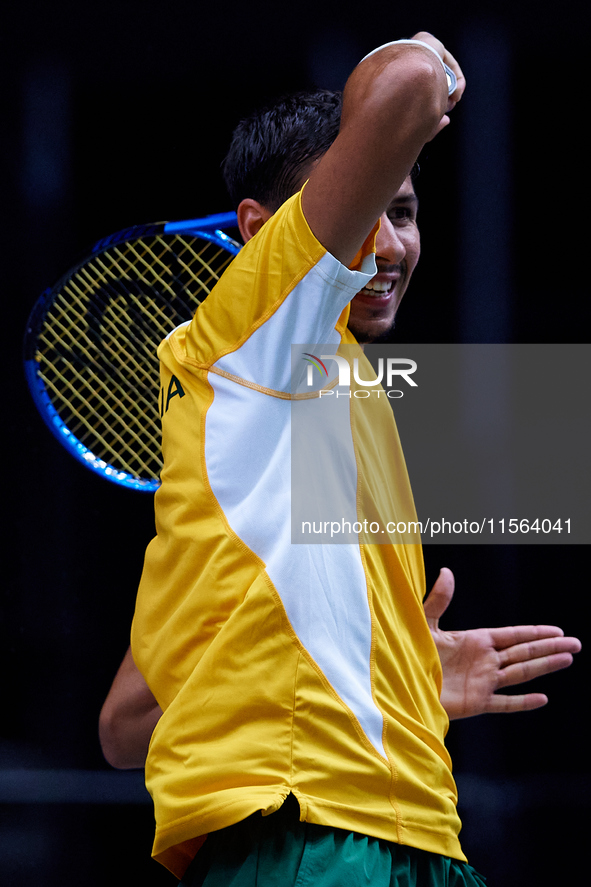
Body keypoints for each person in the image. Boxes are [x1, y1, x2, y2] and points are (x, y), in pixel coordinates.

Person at [100, 33, 581, 886]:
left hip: (415, 828)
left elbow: (128, 722)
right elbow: (402, 81)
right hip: (307, 834)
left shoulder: (322, 392)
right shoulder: (257, 335)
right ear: (259, 233)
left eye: (403, 211)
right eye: (366, 212)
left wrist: (381, 667)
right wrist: (438, 61)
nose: (390, 246)